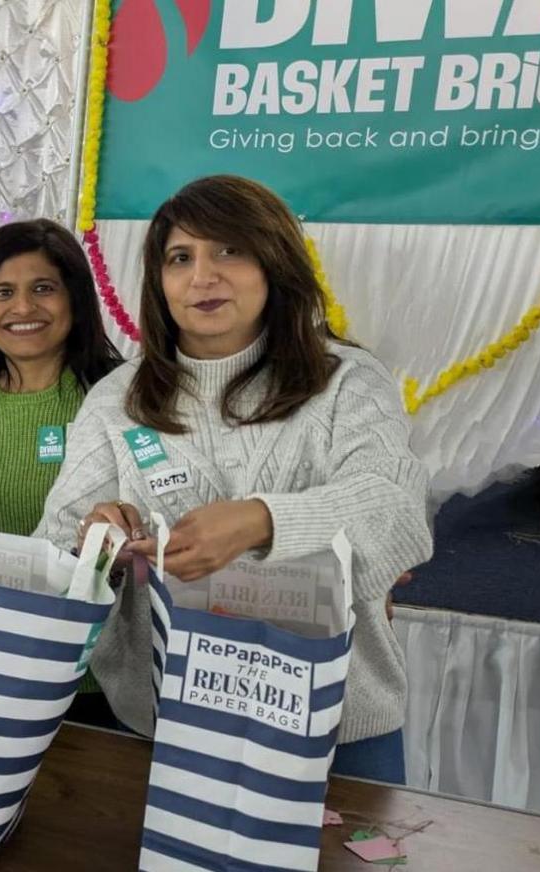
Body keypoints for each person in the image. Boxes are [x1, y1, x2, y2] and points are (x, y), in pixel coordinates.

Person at [39, 175, 433, 782]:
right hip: (164, 725)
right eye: (180, 257)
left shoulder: (349, 381)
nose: (203, 276)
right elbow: (55, 546)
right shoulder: (118, 399)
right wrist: (100, 543)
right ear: (160, 282)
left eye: (229, 250)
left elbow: (396, 512)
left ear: (274, 263)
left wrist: (260, 521)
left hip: (334, 730)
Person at [0, 218, 122, 536]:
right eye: (2, 293)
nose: (24, 307)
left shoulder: (121, 391)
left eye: (43, 289)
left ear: (75, 301)